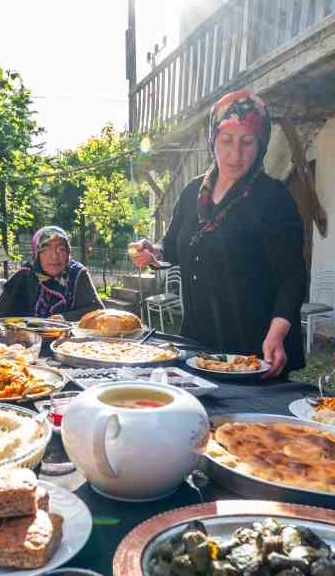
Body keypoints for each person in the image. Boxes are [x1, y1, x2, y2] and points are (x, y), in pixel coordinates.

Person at [131, 89, 307, 374]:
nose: (235, 154)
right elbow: (172, 247)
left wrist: (277, 334)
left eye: (247, 142)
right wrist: (153, 253)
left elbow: (293, 278)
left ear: (260, 145)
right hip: (197, 341)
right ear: (213, 140)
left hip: (254, 348)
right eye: (226, 140)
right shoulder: (192, 193)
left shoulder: (273, 199)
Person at [0, 225, 101, 320]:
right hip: (24, 342)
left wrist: (64, 318)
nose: (54, 256)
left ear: (68, 252)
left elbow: (97, 310)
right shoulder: (24, 276)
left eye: (61, 249)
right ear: (36, 254)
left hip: (67, 343)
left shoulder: (77, 273)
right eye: (46, 250)